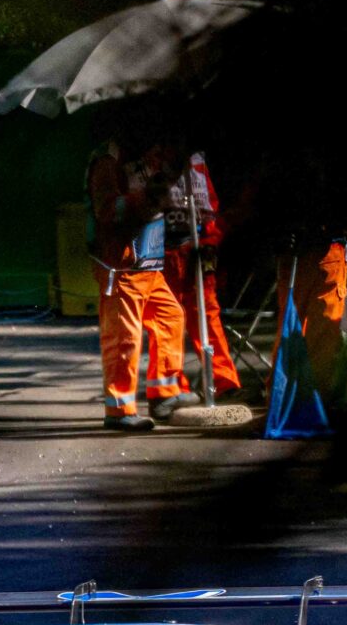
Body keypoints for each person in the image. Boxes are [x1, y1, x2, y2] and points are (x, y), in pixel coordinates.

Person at [85, 133, 187, 431]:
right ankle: (119, 411)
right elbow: (108, 210)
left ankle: (164, 394)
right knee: (124, 339)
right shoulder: (106, 161)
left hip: (147, 263)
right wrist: (151, 194)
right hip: (122, 264)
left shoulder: (137, 158)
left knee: (171, 317)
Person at [160, 149, 244, 400]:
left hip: (198, 247)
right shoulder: (145, 162)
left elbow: (210, 206)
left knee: (208, 314)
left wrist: (211, 241)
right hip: (163, 250)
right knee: (168, 320)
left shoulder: (196, 162)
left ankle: (224, 382)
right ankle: (173, 386)